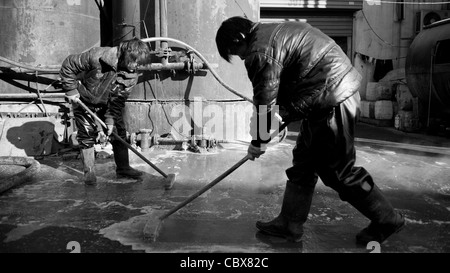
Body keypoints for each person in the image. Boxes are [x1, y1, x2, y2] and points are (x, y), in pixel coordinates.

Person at [215, 16, 405, 245]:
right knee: (304, 162)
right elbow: (284, 88)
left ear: (240, 38)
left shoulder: (260, 50)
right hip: (324, 97)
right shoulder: (272, 33)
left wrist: (258, 140)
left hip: (332, 97)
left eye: (237, 52)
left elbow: (265, 100)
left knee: (339, 172)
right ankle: (289, 223)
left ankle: (387, 219)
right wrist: (268, 128)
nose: (242, 57)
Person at [60, 38, 151, 185]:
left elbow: (117, 101)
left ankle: (123, 168)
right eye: (135, 62)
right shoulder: (97, 56)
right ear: (127, 55)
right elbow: (69, 64)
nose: (137, 66)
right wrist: (70, 89)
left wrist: (109, 120)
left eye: (140, 64)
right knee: (87, 133)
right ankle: (89, 172)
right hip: (83, 99)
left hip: (107, 104)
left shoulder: (131, 76)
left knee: (118, 131)